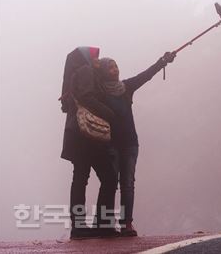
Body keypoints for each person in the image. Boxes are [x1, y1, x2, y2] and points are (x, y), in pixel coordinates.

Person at [97, 52, 175, 237]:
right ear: (103, 73)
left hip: (130, 144)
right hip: (111, 145)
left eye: (115, 66)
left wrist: (162, 61)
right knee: (110, 183)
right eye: (110, 67)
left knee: (128, 184)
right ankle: (106, 224)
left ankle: (127, 224)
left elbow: (146, 75)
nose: (114, 70)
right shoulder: (98, 94)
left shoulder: (126, 87)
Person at [60, 47, 119, 240]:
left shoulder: (73, 76)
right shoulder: (85, 71)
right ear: (86, 58)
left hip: (77, 136)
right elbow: (87, 97)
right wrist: (110, 114)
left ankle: (79, 227)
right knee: (109, 177)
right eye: (95, 56)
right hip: (87, 136)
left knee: (80, 179)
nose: (98, 60)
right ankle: (102, 225)